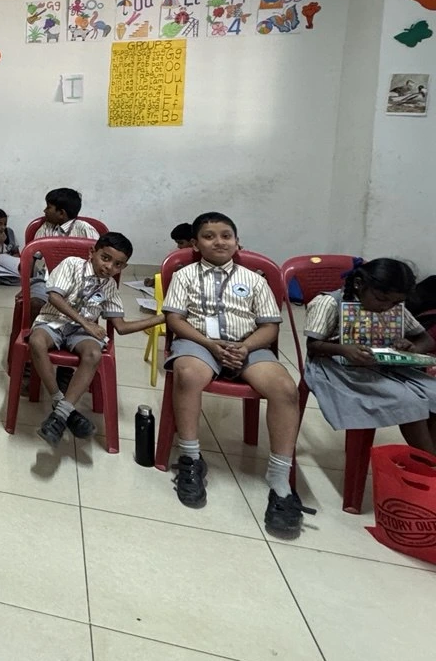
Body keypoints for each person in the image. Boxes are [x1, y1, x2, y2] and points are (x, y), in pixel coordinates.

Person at [162, 212, 311, 536]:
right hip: (199, 342)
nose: (218, 241)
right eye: (209, 236)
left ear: (238, 242)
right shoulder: (185, 276)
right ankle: (190, 458)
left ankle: (280, 479)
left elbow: (270, 325)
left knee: (286, 389)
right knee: (186, 374)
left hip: (249, 347)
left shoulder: (255, 279)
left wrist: (245, 347)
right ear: (196, 244)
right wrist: (209, 344)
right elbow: (175, 320)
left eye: (226, 235)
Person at [30, 232, 165, 446]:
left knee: (93, 353)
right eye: (105, 258)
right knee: (36, 341)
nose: (110, 267)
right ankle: (63, 407)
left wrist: (160, 318)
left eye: (118, 264)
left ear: (124, 267)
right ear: (92, 252)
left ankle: (60, 414)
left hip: (80, 333)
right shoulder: (72, 264)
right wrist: (86, 323)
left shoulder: (109, 286)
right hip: (53, 320)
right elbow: (54, 297)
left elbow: (120, 326)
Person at [303, 258, 436, 454]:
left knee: (433, 394)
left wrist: (411, 348)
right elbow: (312, 345)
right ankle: (429, 463)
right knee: (409, 402)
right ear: (358, 284)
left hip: (383, 367)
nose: (386, 307)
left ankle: (426, 459)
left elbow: (427, 340)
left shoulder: (392, 307)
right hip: (335, 367)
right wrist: (344, 349)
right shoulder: (330, 303)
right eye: (382, 299)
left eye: (396, 302)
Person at [26, 187, 101, 322]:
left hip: (80, 283)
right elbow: (32, 255)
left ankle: (74, 336)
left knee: (87, 308)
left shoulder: (85, 229)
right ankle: (36, 335)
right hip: (47, 280)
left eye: (48, 207)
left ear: (61, 213)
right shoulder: (46, 228)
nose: (44, 211)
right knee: (35, 303)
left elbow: (100, 258)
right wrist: (26, 285)